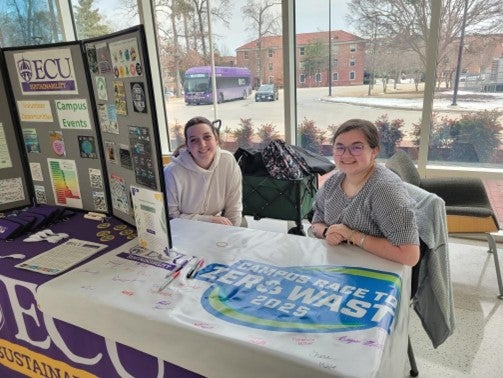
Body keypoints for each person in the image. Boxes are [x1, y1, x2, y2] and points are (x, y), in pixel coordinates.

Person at [310, 119, 420, 266]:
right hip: (338, 266)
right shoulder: (333, 181)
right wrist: (327, 232)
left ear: (374, 151)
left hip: (376, 271)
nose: (346, 155)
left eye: (357, 148)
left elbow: (410, 256)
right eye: (340, 147)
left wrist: (352, 235)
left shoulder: (384, 190)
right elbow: (316, 220)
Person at [164, 116, 243, 226]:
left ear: (216, 140)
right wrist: (209, 220)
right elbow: (171, 217)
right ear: (187, 146)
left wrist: (232, 233)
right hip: (184, 230)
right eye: (194, 140)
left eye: (207, 137)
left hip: (217, 227)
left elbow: (234, 207)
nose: (202, 145)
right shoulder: (172, 172)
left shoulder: (228, 161)